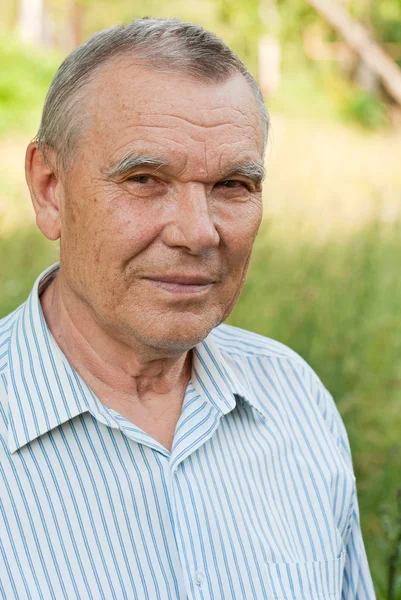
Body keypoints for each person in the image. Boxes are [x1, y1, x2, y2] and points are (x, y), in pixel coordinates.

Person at [0, 17, 374, 600]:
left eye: (232, 185)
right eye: (145, 179)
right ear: (50, 189)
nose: (199, 233)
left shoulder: (296, 398)